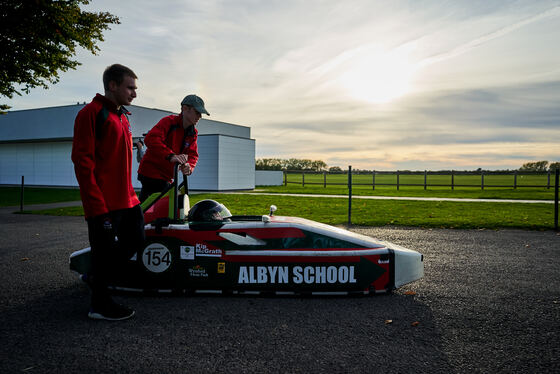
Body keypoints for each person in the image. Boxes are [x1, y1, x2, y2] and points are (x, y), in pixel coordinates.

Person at [71, 64, 145, 321]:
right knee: (102, 255)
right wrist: (96, 206)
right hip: (103, 204)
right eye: (130, 87)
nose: (134, 93)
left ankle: (95, 278)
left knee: (135, 241)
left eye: (135, 88)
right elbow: (83, 163)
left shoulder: (123, 117)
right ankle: (99, 306)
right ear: (112, 85)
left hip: (128, 199)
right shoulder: (90, 113)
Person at [137, 94, 209, 202]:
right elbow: (151, 139)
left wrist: (189, 166)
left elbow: (193, 155)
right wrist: (170, 156)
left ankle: (139, 216)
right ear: (185, 109)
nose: (200, 116)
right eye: (197, 112)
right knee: (168, 203)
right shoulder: (169, 122)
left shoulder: (193, 133)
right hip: (151, 172)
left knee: (157, 207)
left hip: (166, 176)